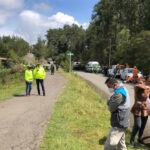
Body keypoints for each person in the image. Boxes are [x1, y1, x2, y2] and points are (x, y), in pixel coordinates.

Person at [104, 78, 130, 150]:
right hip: (122, 120)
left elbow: (111, 107)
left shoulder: (119, 94)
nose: (109, 89)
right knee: (121, 144)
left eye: (109, 87)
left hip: (119, 121)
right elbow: (111, 102)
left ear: (114, 84)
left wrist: (109, 101)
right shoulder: (121, 88)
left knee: (111, 143)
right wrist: (110, 101)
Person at [130, 79, 149, 148]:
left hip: (145, 109)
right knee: (138, 125)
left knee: (143, 126)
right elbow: (139, 86)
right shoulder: (137, 87)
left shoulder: (148, 89)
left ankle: (139, 139)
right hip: (137, 109)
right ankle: (131, 140)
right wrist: (145, 86)